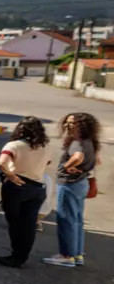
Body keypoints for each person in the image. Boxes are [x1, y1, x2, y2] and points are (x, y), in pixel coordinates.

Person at [44, 112, 102, 268]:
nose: (67, 126)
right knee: (76, 220)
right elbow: (98, 160)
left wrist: (67, 166)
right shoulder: (90, 141)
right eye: (66, 122)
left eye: (71, 123)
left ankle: (66, 256)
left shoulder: (77, 142)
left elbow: (77, 157)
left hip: (70, 184)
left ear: (81, 126)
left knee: (66, 219)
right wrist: (81, 168)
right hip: (82, 183)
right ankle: (77, 254)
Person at [0, 117, 52, 269]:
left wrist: (11, 175)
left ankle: (15, 255)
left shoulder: (14, 145)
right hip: (38, 187)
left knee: (14, 222)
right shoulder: (45, 146)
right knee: (29, 225)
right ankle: (21, 256)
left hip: (17, 186)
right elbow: (48, 163)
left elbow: (1, 162)